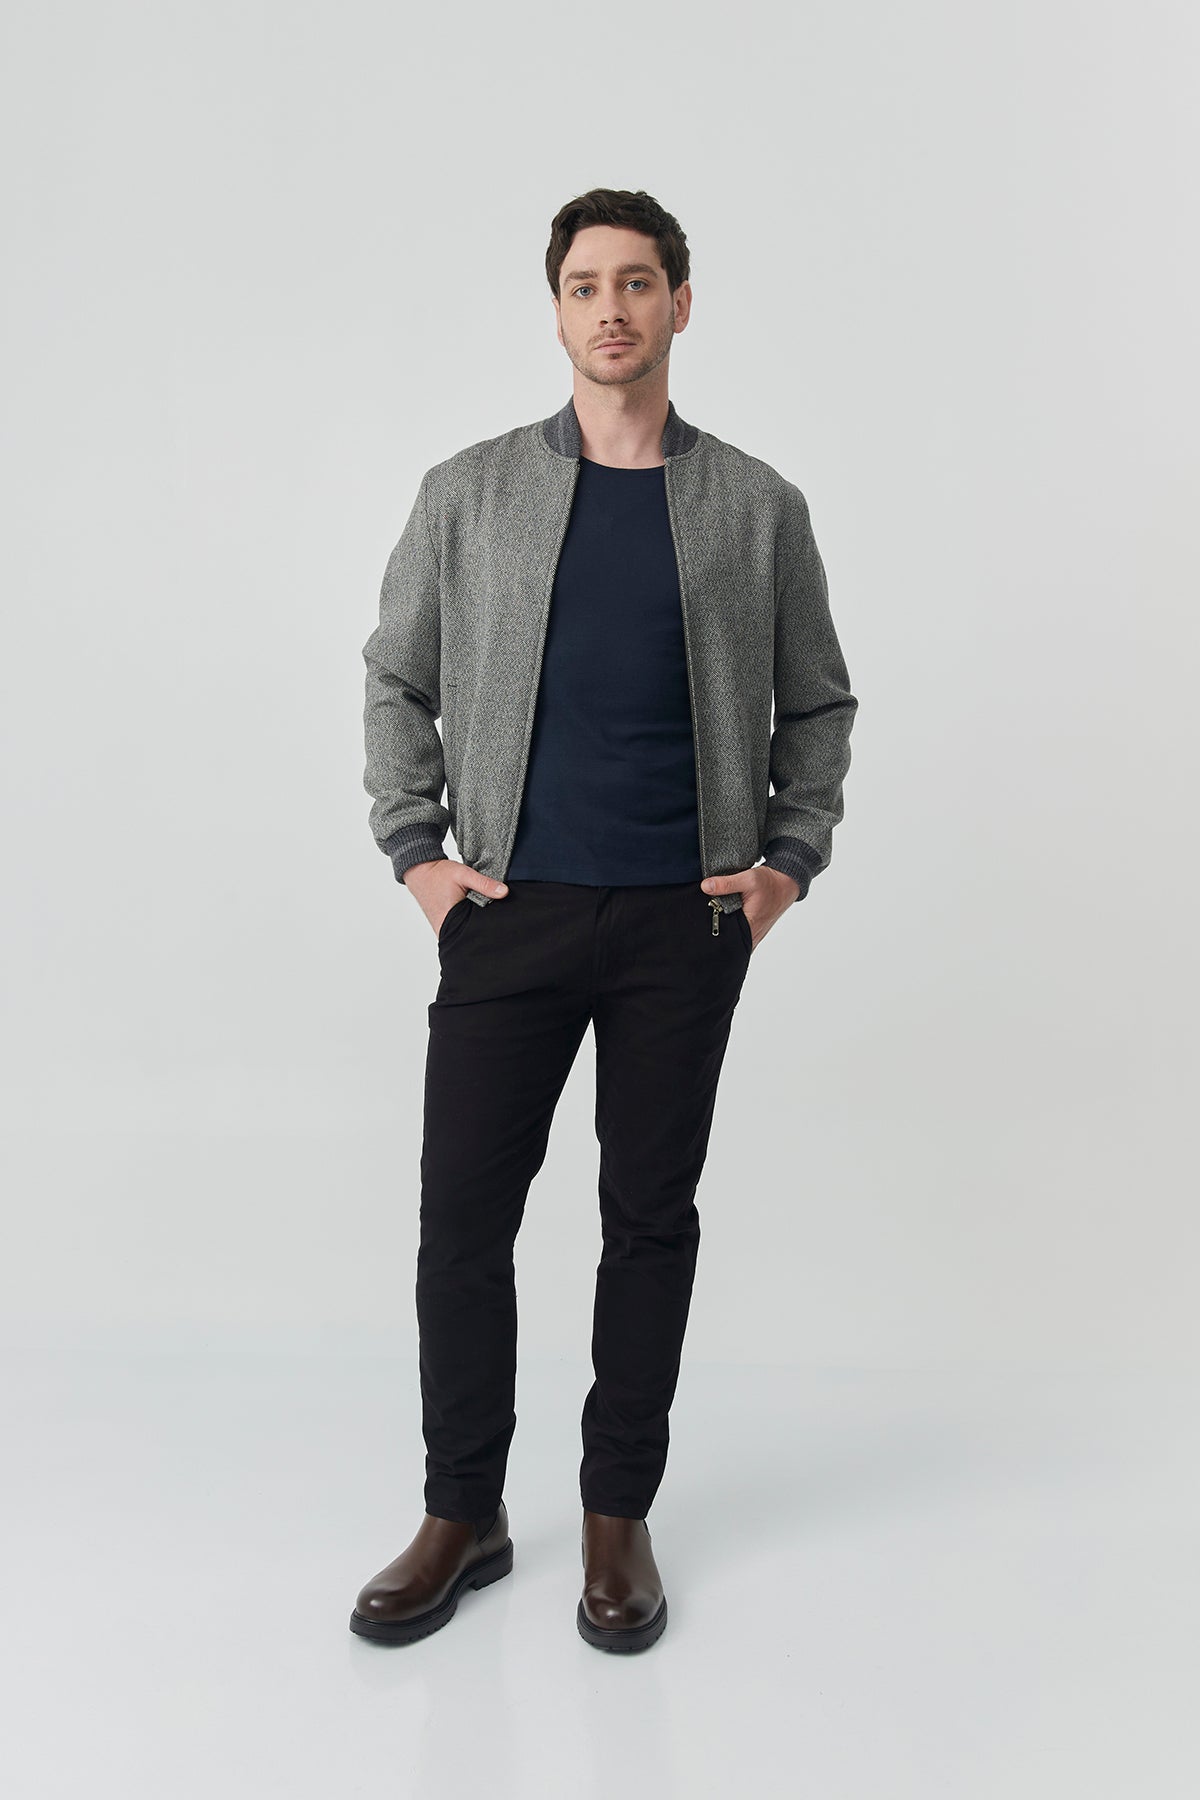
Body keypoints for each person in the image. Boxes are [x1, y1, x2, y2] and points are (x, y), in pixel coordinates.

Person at [349, 187, 858, 1654]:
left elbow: (819, 703)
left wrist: (785, 865)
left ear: (680, 305)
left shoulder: (756, 507)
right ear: (558, 311)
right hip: (508, 912)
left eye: (637, 283)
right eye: (585, 286)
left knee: (647, 1220)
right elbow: (395, 675)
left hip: (684, 923)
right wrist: (418, 855)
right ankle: (464, 1511)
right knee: (464, 1219)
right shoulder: (471, 492)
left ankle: (616, 1516)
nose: (611, 309)